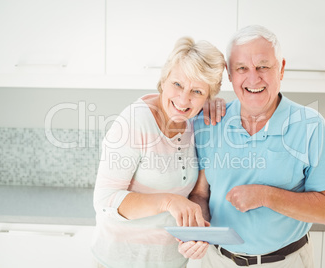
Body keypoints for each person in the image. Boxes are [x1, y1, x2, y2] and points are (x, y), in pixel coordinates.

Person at [178, 25, 325, 267]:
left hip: (286, 261)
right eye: (242, 68)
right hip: (215, 261)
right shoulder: (208, 123)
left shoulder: (310, 126)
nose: (253, 78)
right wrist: (197, 230)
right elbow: (200, 194)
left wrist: (267, 196)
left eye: (263, 67)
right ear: (230, 74)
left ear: (282, 69)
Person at [91, 36, 225, 268]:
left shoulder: (197, 125)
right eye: (177, 84)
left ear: (208, 97)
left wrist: (195, 234)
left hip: (172, 262)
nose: (184, 99)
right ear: (164, 80)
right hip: (119, 261)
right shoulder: (134, 122)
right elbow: (104, 200)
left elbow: (196, 196)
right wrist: (168, 202)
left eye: (197, 91)